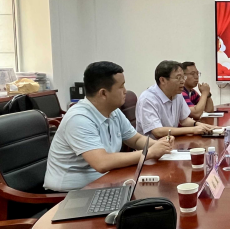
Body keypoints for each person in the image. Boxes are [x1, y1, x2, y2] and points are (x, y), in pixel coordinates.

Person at [44, 62, 173, 192]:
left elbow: (135, 139)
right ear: (103, 93)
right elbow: (102, 162)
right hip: (71, 193)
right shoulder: (78, 119)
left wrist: (160, 145)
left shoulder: (113, 111)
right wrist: (149, 153)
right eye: (121, 86)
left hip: (104, 181)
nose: (125, 91)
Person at [136, 60, 216, 139]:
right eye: (178, 78)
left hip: (171, 142)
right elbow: (158, 131)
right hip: (153, 145)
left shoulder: (177, 94)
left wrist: (198, 124)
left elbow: (183, 120)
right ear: (162, 80)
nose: (183, 81)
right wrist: (193, 129)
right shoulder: (148, 99)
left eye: (183, 77)